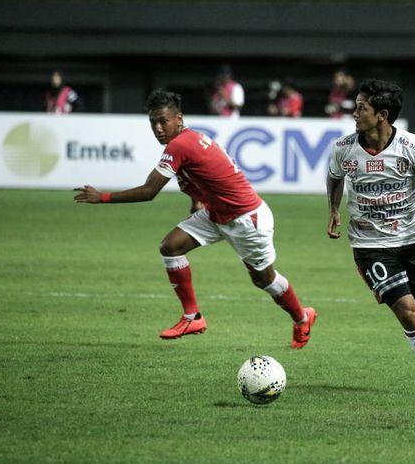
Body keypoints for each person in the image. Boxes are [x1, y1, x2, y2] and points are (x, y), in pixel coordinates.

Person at [74, 89, 317, 346]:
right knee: (171, 246)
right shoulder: (188, 140)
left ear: (178, 119)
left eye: (163, 121)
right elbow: (197, 177)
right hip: (217, 213)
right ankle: (192, 316)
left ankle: (302, 318)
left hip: (247, 220)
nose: (158, 128)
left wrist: (102, 197)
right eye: (153, 123)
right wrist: (196, 201)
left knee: (263, 279)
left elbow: (149, 192)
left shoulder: (179, 145)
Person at [326, 79, 415, 396]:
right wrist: (334, 209)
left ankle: (403, 302)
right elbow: (334, 176)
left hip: (413, 242)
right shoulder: (344, 148)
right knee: (409, 313)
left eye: (362, 108)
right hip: (370, 247)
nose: (355, 114)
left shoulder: (412, 148)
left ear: (382, 115)